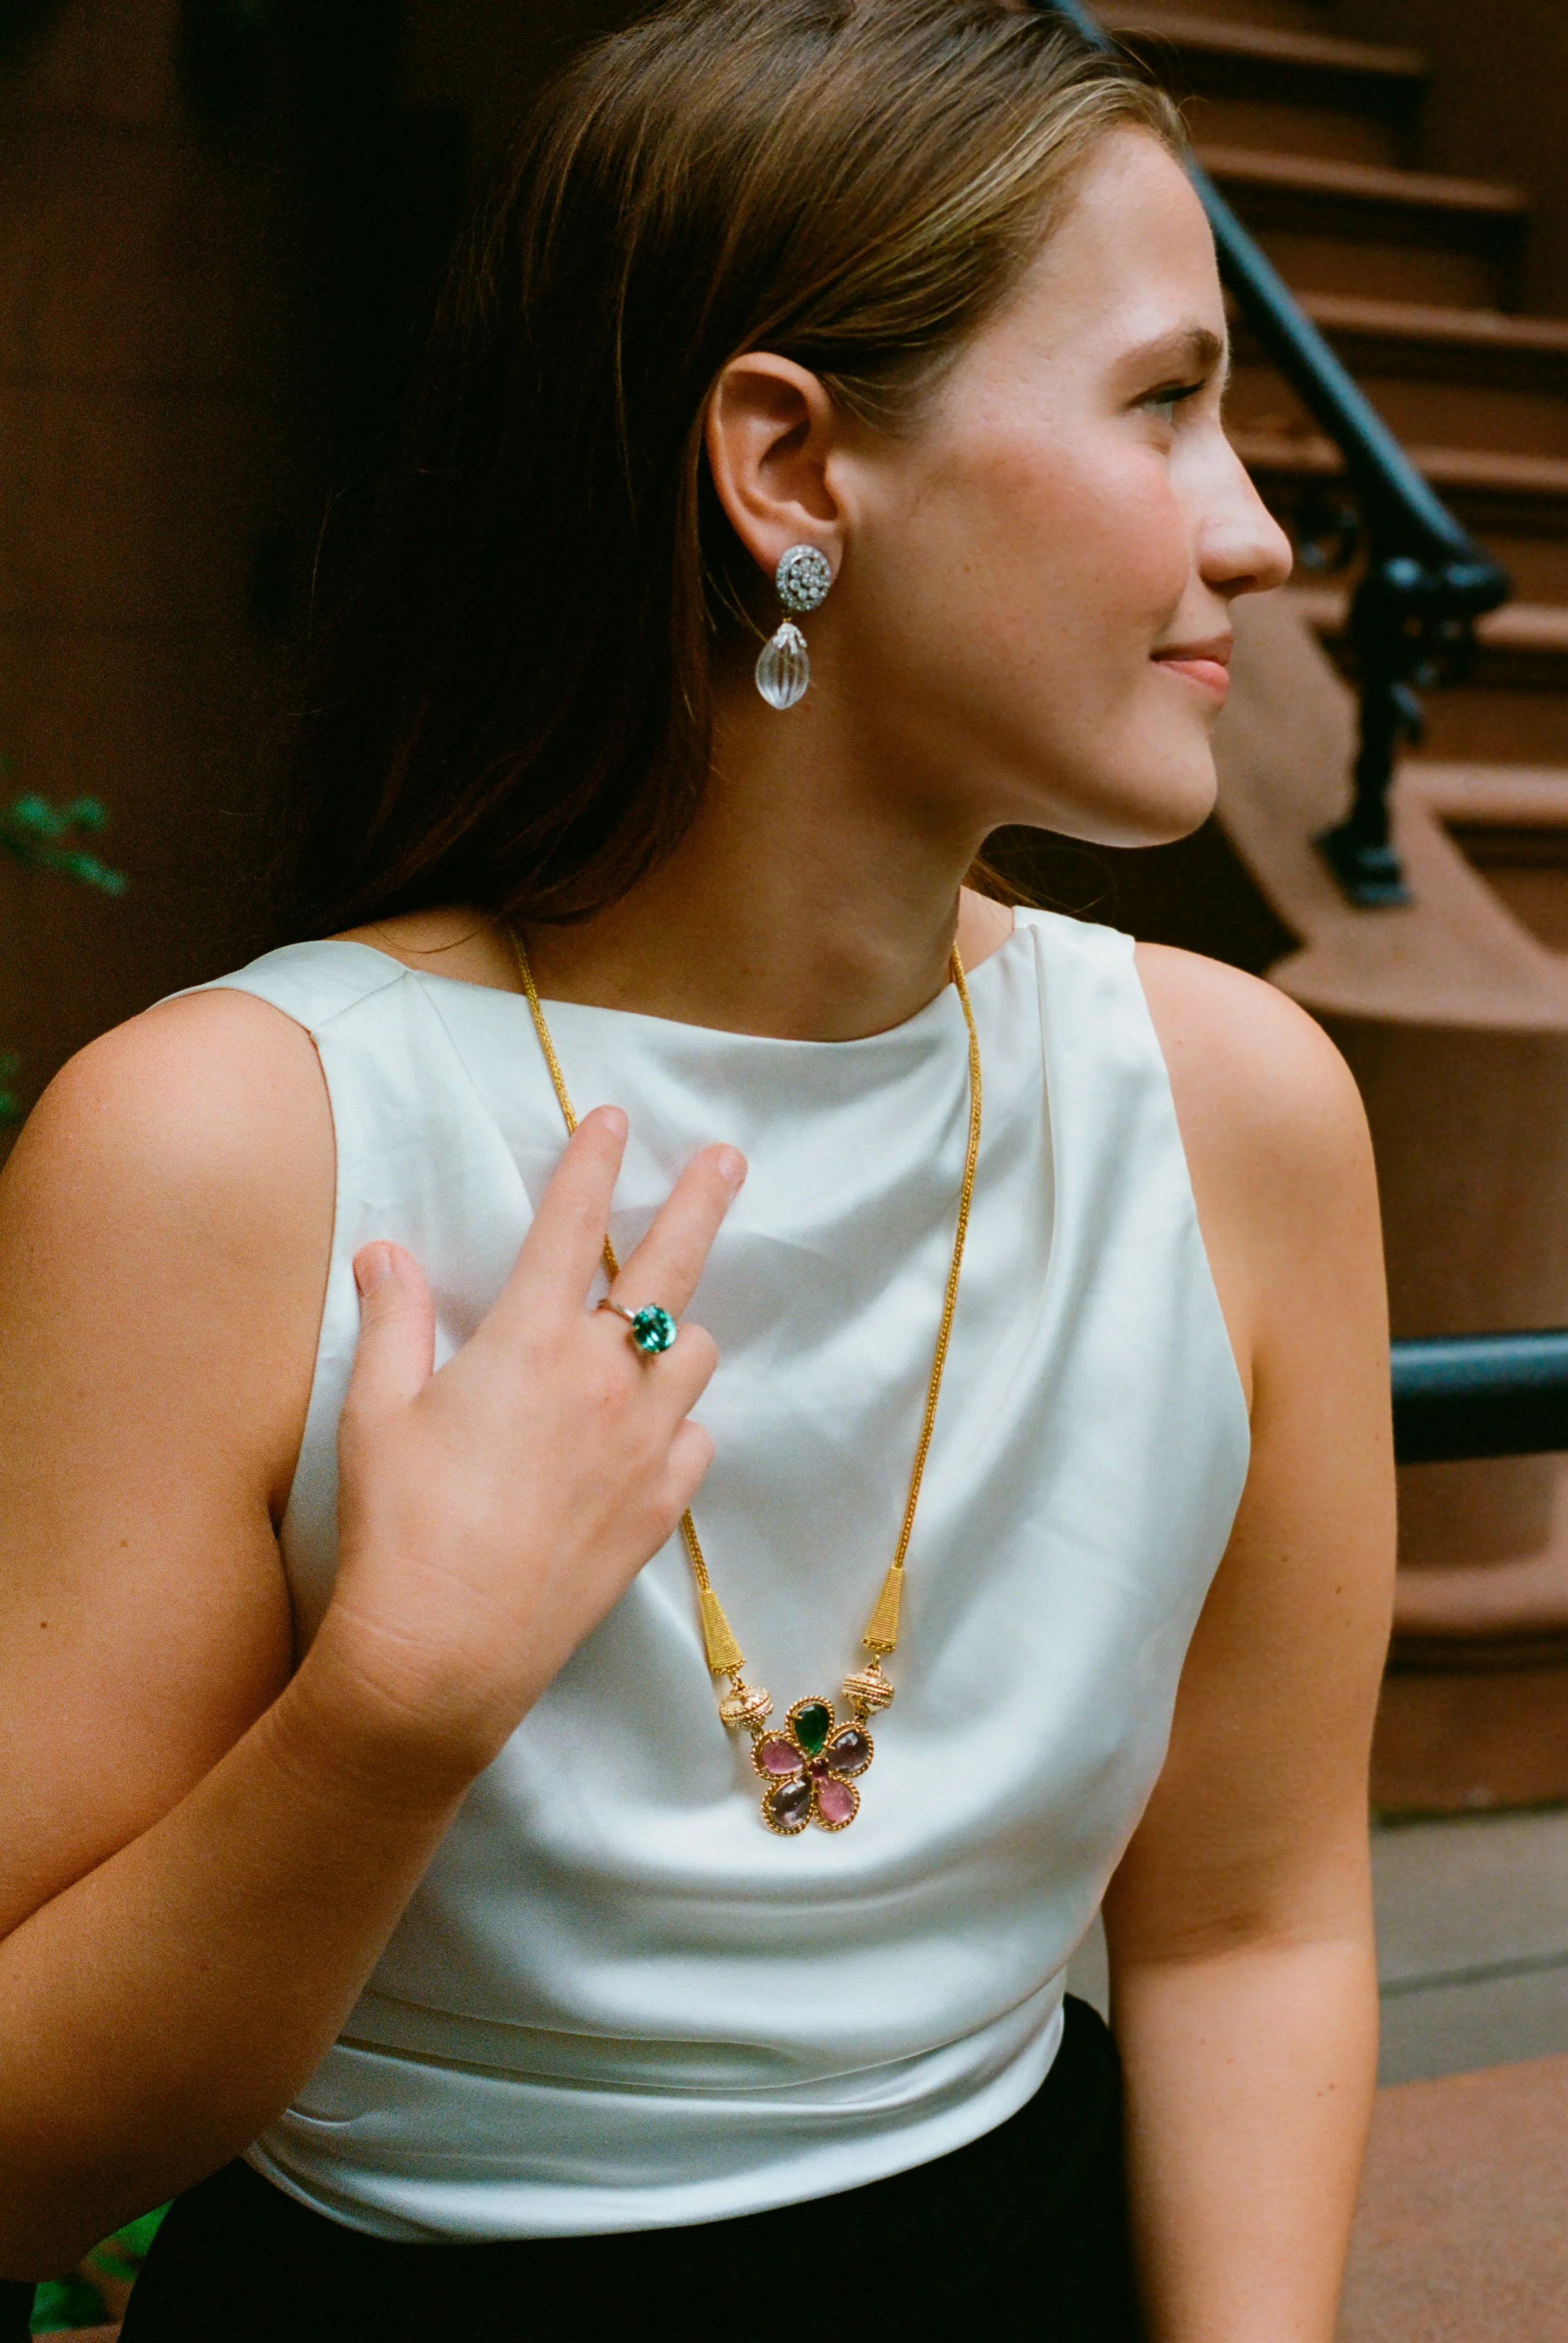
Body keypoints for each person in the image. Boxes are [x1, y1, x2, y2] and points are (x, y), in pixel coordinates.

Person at [0, 2, 1394, 2335]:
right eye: (1160, 401)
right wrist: (396, 1707)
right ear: (789, 466)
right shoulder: (226, 1144)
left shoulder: (1234, 1109)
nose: (1250, 529)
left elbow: (1255, 1922)